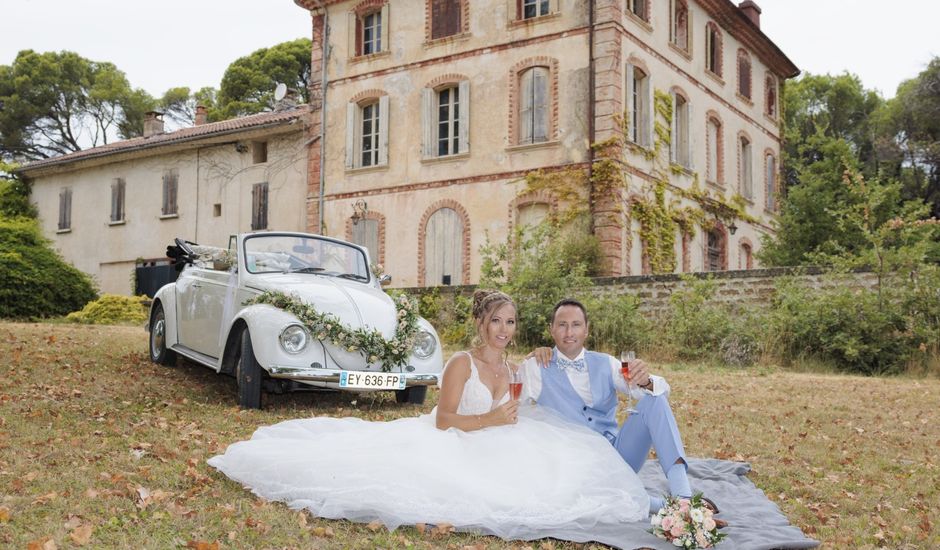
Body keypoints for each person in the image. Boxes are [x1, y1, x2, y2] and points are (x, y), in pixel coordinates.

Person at [207, 290, 649, 541]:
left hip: (501, 442)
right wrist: (491, 422)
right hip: (453, 440)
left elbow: (538, 390)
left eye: (511, 323)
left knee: (552, 476)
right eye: (497, 321)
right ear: (481, 324)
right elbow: (443, 420)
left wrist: (534, 370)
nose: (504, 330)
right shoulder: (460, 363)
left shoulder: (518, 369)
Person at [522, 298, 719, 516]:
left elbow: (662, 390)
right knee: (578, 492)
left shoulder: (606, 362)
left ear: (587, 330)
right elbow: (513, 407)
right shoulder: (536, 367)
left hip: (616, 457)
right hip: (571, 465)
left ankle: (684, 498)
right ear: (551, 330)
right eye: (562, 325)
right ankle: (666, 508)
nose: (569, 332)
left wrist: (645, 380)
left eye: (576, 324)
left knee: (655, 398)